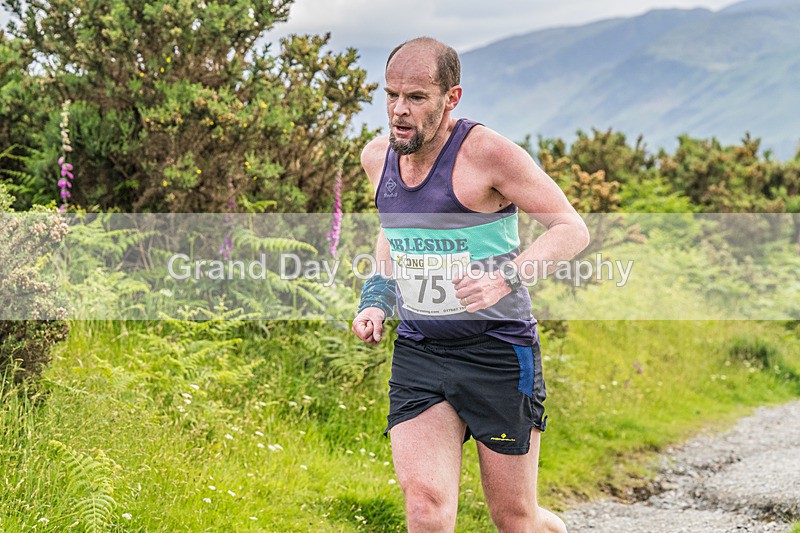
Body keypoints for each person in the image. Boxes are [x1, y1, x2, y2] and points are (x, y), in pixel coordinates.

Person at [352, 36, 589, 533]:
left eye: (416, 97)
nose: (399, 110)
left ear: (451, 98)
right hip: (420, 350)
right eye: (391, 94)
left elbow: (571, 229)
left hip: (498, 351)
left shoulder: (490, 154)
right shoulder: (377, 158)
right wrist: (376, 299)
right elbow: (393, 235)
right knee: (426, 509)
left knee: (515, 519)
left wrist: (506, 277)